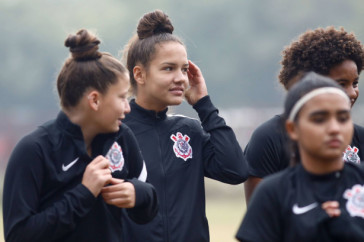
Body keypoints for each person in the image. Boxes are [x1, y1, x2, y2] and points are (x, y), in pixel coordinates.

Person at [2, 29, 158, 242]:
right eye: (121, 97)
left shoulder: (122, 137)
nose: (127, 108)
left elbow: (148, 205)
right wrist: (84, 193)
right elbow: (18, 235)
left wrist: (138, 194)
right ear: (94, 100)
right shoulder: (33, 150)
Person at [120, 10, 248, 242]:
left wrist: (204, 105)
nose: (181, 78)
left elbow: (236, 171)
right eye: (168, 68)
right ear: (139, 74)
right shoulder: (115, 132)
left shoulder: (189, 132)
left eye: (184, 69)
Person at [236, 72, 364, 241]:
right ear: (292, 129)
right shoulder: (272, 192)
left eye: (342, 118)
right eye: (319, 119)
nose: (334, 128)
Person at [244, 26, 364, 203]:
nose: (352, 92)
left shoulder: (360, 136)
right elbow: (261, 218)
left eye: (355, 83)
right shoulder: (269, 138)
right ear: (308, 83)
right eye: (341, 83)